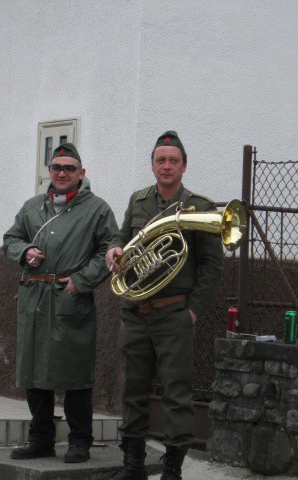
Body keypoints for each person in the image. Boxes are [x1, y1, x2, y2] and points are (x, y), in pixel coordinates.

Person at [105, 131, 223, 480]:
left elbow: (213, 265)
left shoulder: (198, 206)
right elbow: (122, 238)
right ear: (153, 165)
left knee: (176, 393)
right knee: (133, 390)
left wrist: (193, 309)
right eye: (161, 160)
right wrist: (114, 250)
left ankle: (173, 469)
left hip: (174, 313)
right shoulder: (138, 200)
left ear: (184, 166)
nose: (167, 166)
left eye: (173, 160)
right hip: (137, 311)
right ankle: (133, 465)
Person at [3, 143, 118, 462]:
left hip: (70, 299)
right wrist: (24, 252)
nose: (62, 172)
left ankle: (80, 440)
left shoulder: (97, 209)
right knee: (33, 371)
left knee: (75, 373)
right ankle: (41, 438)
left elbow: (110, 250)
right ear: (49, 172)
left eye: (69, 168)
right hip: (33, 298)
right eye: (57, 167)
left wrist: (82, 280)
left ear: (81, 173)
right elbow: (10, 239)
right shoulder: (32, 207)